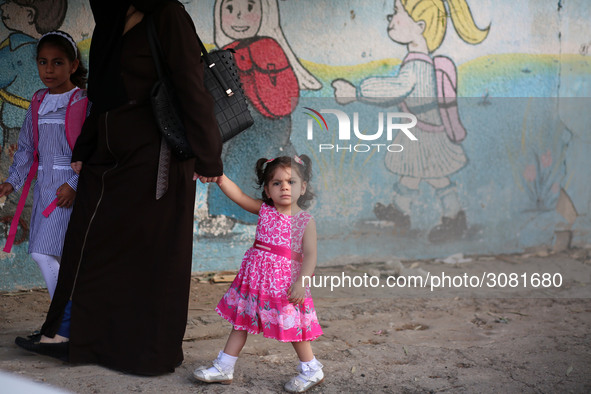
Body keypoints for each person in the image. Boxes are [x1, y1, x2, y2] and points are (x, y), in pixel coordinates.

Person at [15, 0, 223, 376]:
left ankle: (146, 353)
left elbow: (191, 86)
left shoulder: (168, 14)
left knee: (153, 256)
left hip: (156, 156)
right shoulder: (111, 20)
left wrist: (209, 156)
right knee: (89, 242)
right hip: (108, 156)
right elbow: (100, 94)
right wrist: (84, 148)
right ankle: (75, 336)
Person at [332, 0, 488, 242]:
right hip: (420, 131)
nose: (390, 18)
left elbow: (397, 88)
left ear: (420, 26)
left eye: (396, 12)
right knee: (412, 173)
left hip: (427, 134)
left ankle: (454, 216)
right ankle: (400, 211)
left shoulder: (417, 65)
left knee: (435, 176)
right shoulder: (419, 61)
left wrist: (357, 92)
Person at [193, 155, 324, 393]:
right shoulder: (264, 210)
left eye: (291, 182)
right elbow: (239, 196)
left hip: (285, 285)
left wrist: (301, 283)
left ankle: (312, 369)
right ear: (267, 190)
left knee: (294, 329)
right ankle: (224, 367)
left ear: (303, 187)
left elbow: (311, 255)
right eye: (277, 183)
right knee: (240, 322)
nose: (284, 187)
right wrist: (219, 177)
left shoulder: (305, 221)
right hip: (255, 282)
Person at [202, 0, 322, 231]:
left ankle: (225, 216)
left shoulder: (260, 48)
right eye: (230, 9)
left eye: (248, 9)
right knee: (240, 166)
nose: (239, 17)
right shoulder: (238, 49)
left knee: (248, 166)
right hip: (256, 122)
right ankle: (224, 214)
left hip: (258, 121)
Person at [0, 31, 89, 300]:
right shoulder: (38, 101)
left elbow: (93, 152)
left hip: (68, 189)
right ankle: (66, 323)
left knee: (43, 252)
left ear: (73, 65)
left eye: (58, 62)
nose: (48, 69)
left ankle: (62, 320)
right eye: (42, 62)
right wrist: (11, 181)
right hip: (44, 188)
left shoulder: (84, 102)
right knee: (55, 253)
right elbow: (27, 148)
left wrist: (74, 185)